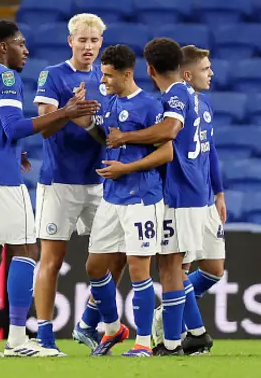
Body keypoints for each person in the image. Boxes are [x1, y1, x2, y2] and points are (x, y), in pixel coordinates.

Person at [0, 20, 100, 357]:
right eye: (20, 43)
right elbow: (13, 126)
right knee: (24, 251)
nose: (26, 51)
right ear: (4, 46)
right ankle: (17, 340)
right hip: (1, 179)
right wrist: (66, 111)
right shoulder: (6, 77)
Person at [32, 13, 127, 354]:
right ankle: (44, 336)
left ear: (102, 42)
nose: (88, 46)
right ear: (69, 41)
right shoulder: (53, 75)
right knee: (52, 259)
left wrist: (93, 126)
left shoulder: (110, 79)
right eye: (82, 40)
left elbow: (111, 134)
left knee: (117, 255)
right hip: (60, 181)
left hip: (100, 181)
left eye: (94, 40)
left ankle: (87, 321)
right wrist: (68, 111)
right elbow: (43, 127)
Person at [107, 38, 208, 356]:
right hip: (188, 190)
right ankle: (188, 336)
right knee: (173, 268)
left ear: (149, 69)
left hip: (180, 191)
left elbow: (168, 131)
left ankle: (174, 342)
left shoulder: (177, 93)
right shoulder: (183, 93)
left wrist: (126, 136)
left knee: (171, 269)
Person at [72, 44, 173, 357]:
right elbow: (108, 138)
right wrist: (86, 124)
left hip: (141, 197)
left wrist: (125, 168)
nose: (104, 80)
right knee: (94, 265)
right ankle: (114, 329)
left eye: (109, 75)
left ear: (127, 74)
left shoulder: (149, 105)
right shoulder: (109, 102)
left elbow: (166, 151)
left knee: (139, 269)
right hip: (112, 196)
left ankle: (143, 342)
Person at [151, 45, 225, 355]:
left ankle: (182, 320)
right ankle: (187, 336)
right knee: (176, 269)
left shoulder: (204, 102)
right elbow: (166, 140)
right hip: (179, 196)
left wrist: (219, 192)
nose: (211, 73)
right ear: (186, 73)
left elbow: (211, 152)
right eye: (205, 68)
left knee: (213, 269)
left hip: (203, 198)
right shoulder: (175, 99)